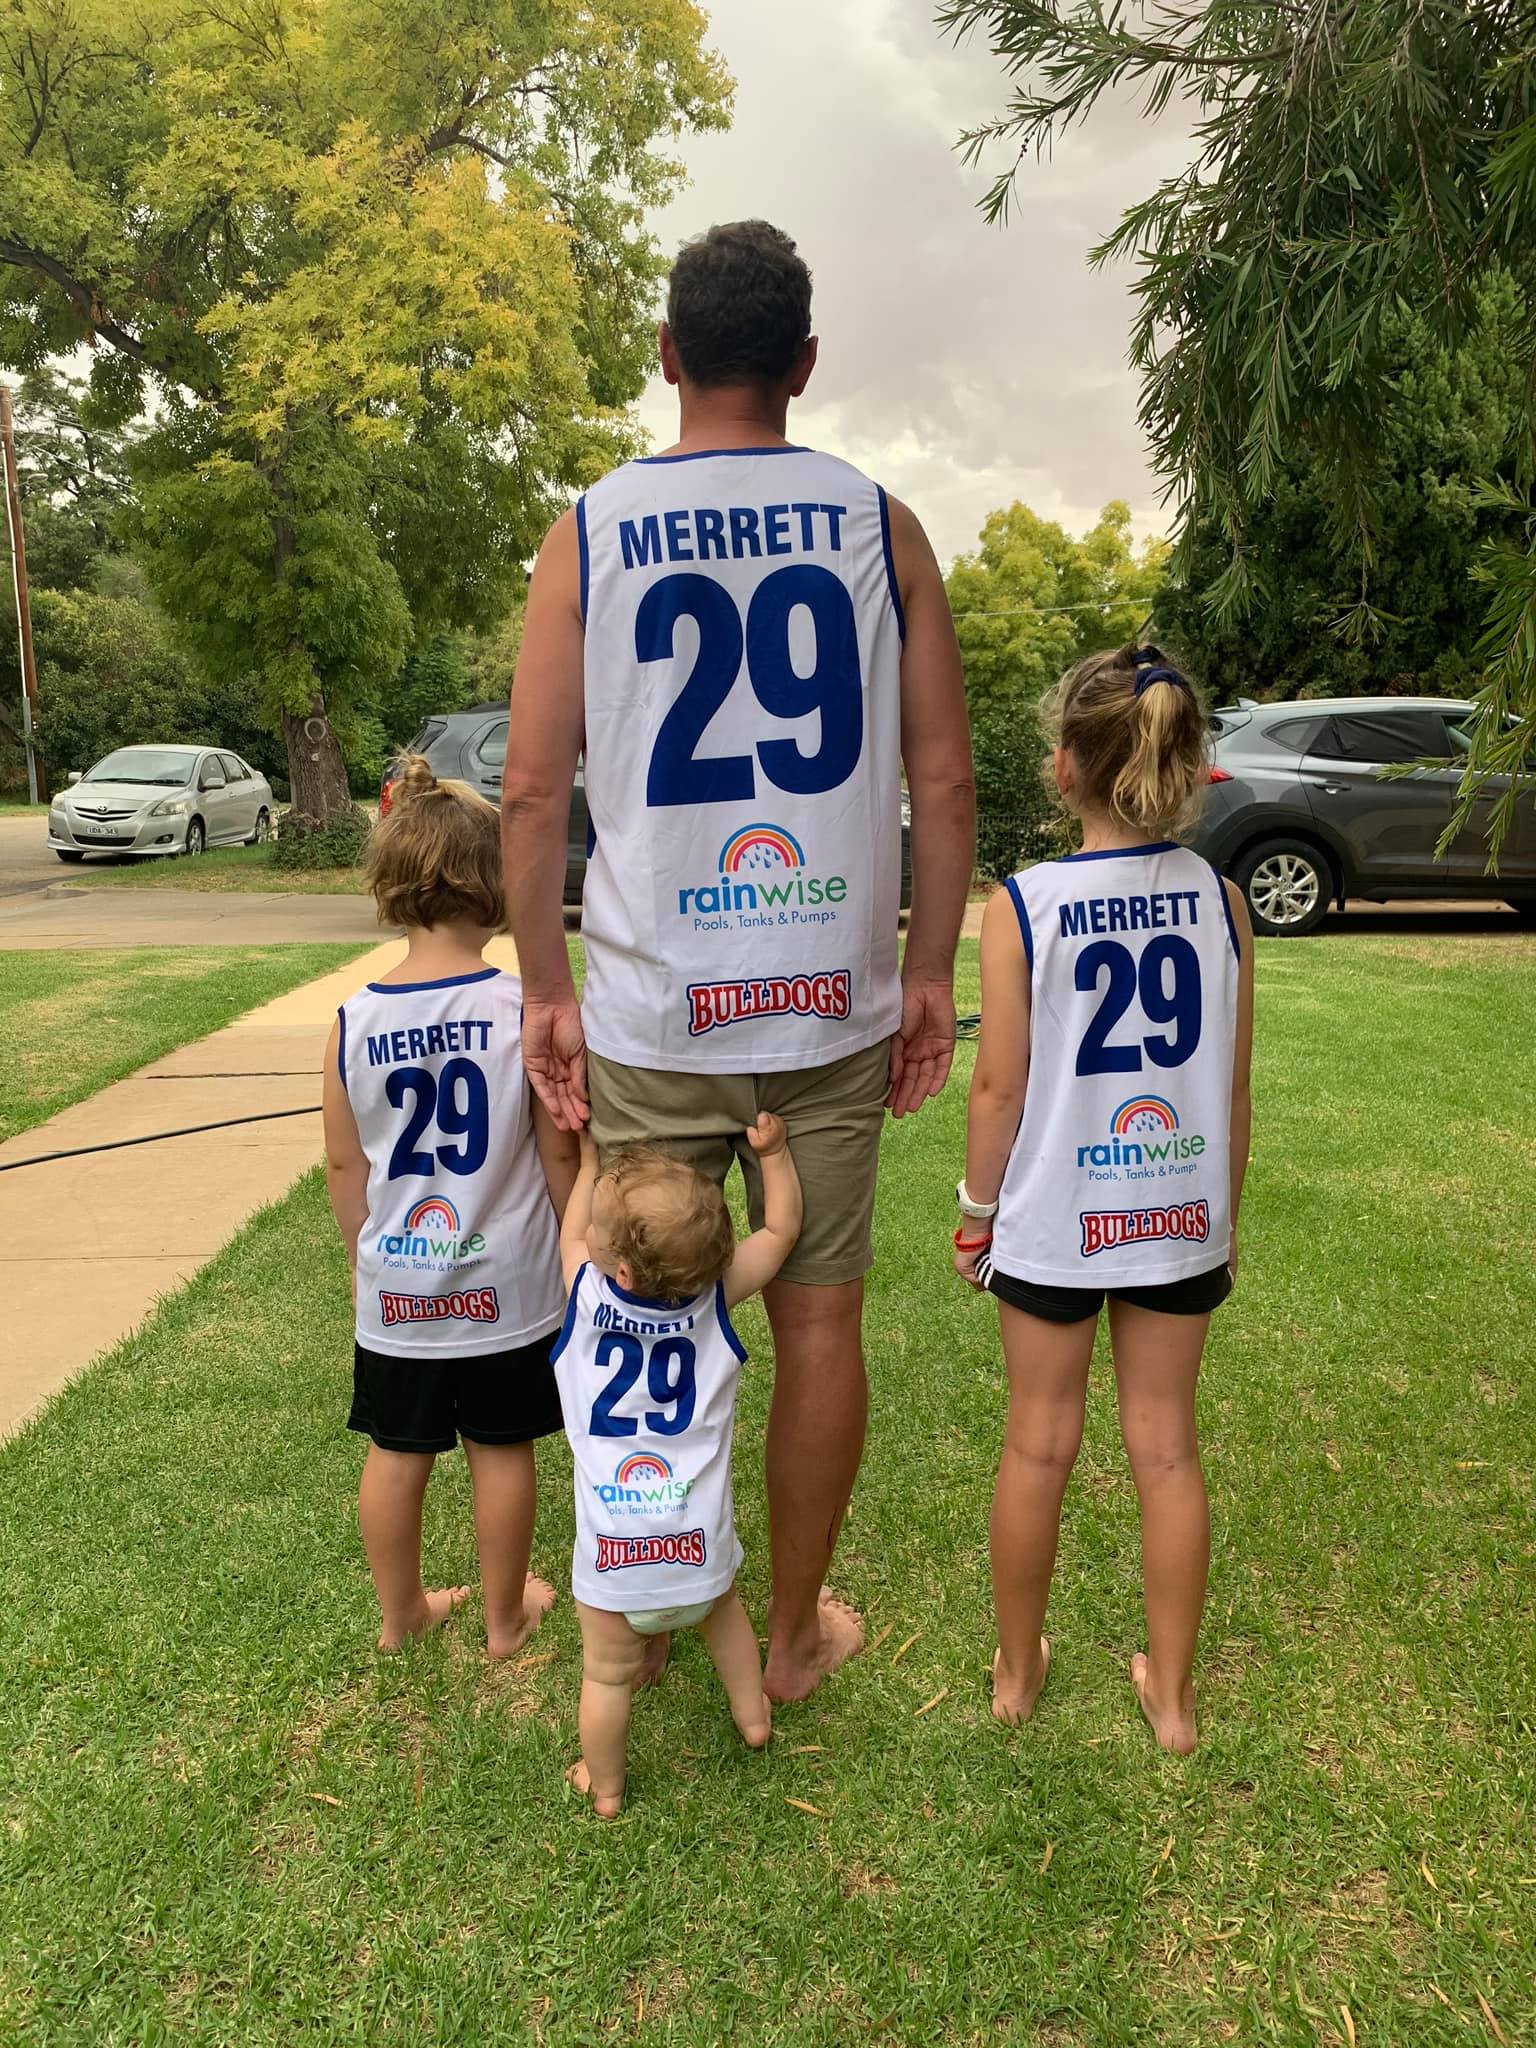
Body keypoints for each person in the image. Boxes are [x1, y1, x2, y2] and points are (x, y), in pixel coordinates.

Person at [504, 220, 974, 1701]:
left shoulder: (588, 530)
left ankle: (639, 1625)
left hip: (652, 1010)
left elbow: (532, 791)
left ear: (667, 355)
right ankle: (788, 1630)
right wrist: (930, 973)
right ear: (804, 363)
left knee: (632, 1303)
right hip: (828, 1002)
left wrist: (545, 990)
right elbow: (944, 778)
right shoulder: (883, 527)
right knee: (820, 1319)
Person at [954, 647, 1254, 1754]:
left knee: (1038, 1445)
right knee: (1167, 1449)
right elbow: (1232, 1086)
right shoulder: (1224, 902)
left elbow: (999, 1087)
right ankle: (1171, 1696)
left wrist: (977, 1212)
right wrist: (1220, 1219)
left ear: (1066, 766)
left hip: (1051, 1222)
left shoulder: (1021, 905)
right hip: (1180, 1219)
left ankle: (1018, 1669)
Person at [322, 756, 579, 1655]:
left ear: (392, 883)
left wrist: (366, 1257)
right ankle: (506, 1620)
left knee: (397, 1450)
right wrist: (577, 1252)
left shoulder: (352, 1021)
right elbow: (559, 1151)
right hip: (508, 1287)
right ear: (495, 883)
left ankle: (401, 1617)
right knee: (501, 1449)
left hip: (397, 1288)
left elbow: (346, 1163)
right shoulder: (520, 1009)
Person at [554, 1118, 803, 1815]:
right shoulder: (716, 1297)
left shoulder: (585, 1294)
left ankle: (606, 1786)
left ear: (622, 1272)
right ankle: (752, 1719)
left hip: (612, 1556)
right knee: (725, 1620)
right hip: (699, 1543)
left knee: (607, 1677)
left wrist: (586, 1167)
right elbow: (781, 1232)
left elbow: (570, 1239)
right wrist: (775, 1155)